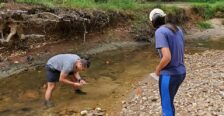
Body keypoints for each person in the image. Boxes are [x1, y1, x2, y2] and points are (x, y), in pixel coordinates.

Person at [149, 8, 186, 116]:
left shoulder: (160, 32)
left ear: (153, 21)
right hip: (181, 73)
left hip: (169, 75)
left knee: (166, 106)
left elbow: (167, 57)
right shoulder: (178, 29)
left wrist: (158, 69)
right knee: (169, 103)